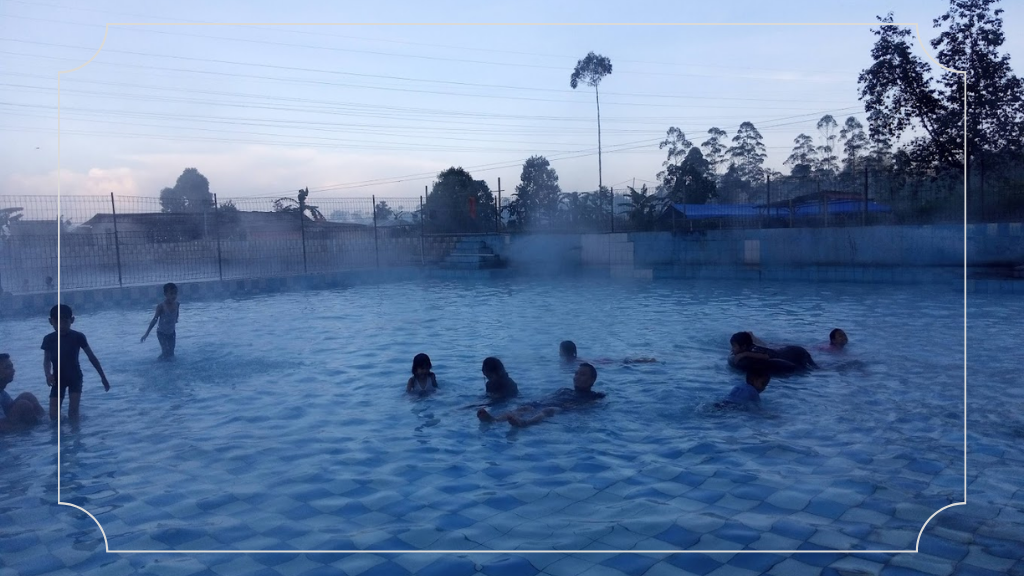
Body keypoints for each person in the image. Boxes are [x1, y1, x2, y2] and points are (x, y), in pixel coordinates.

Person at [478, 362, 604, 427]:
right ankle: (495, 420)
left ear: (592, 380)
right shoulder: (565, 390)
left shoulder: (596, 396)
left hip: (562, 408)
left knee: (547, 410)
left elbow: (588, 407)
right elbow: (548, 398)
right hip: (546, 403)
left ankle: (525, 423)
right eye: (576, 373)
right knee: (525, 407)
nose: (577, 377)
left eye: (582, 375)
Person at [42, 304, 111, 421]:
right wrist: (48, 374)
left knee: (73, 413)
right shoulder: (49, 339)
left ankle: (76, 436)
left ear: (72, 320)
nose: (61, 326)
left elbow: (92, 357)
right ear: (50, 321)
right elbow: (46, 360)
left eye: (65, 321)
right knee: (53, 415)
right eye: (57, 322)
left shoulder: (78, 337)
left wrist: (103, 377)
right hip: (58, 378)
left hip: (75, 377)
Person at [729, 331, 817, 375]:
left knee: (812, 368)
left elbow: (766, 357)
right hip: (785, 351)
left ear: (744, 346)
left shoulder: (754, 350)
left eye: (734, 346)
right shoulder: (749, 347)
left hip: (793, 353)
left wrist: (744, 354)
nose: (732, 349)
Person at [0, 354, 45, 432]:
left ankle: (48, 421)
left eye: (12, 366)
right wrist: (24, 427)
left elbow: (9, 409)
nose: (13, 370)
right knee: (23, 405)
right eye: (7, 368)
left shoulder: (2, 393)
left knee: (27, 396)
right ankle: (38, 429)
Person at [141, 282, 180, 359]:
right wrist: (146, 334)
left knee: (171, 352)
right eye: (171, 293)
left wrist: (176, 319)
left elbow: (177, 314)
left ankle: (169, 367)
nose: (174, 296)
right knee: (165, 352)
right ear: (165, 294)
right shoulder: (161, 306)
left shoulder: (177, 304)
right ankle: (158, 363)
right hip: (162, 333)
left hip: (172, 332)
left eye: (175, 293)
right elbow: (155, 320)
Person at [560, 340, 657, 365]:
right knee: (623, 361)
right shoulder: (574, 359)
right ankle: (646, 360)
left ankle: (647, 361)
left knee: (624, 362)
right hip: (600, 361)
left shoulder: (569, 362)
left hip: (599, 363)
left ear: (563, 351)